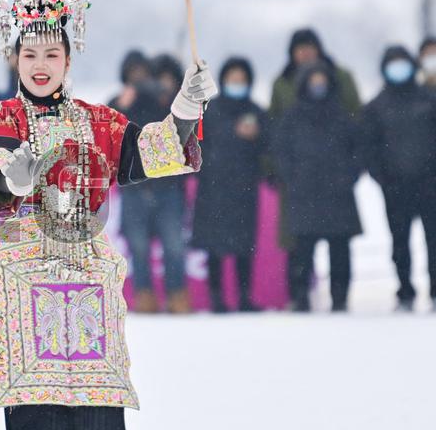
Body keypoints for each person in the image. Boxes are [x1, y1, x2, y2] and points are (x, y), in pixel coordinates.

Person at [0, 0, 215, 430]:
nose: (40, 64)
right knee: (40, 420)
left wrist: (185, 109)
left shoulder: (99, 121)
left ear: (69, 58)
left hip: (87, 283)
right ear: (15, 58)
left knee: (97, 416)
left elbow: (154, 153)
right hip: (26, 285)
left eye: (51, 53)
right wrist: (13, 180)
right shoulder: (4, 116)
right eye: (29, 53)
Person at [272, 62, 362, 312]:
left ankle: (340, 298)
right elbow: (281, 151)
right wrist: (294, 178)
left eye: (322, 81)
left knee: (340, 248)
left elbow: (358, 149)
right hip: (304, 194)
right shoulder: (292, 118)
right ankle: (300, 297)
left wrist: (348, 176)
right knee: (301, 249)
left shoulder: (342, 116)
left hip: (338, 193)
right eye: (314, 81)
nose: (318, 86)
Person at [110, 52, 190, 313]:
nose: (138, 79)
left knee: (174, 245)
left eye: (142, 74)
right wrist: (121, 105)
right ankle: (144, 296)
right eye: (132, 74)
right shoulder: (119, 102)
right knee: (139, 247)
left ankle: (177, 295)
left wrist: (168, 96)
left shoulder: (162, 100)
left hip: (167, 187)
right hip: (134, 188)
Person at [191, 57, 269, 312]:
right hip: (214, 188)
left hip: (244, 188)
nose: (237, 83)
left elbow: (268, 146)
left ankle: (245, 296)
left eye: (241, 80)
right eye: (232, 79)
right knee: (214, 245)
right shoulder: (209, 110)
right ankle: (216, 297)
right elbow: (197, 144)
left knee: (244, 245)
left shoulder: (256, 112)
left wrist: (256, 137)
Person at [361, 46, 436, 311]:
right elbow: (369, 146)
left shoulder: (429, 99)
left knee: (434, 240)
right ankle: (405, 290)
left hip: (429, 184)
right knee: (400, 242)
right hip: (395, 187)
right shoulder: (376, 106)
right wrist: (381, 176)